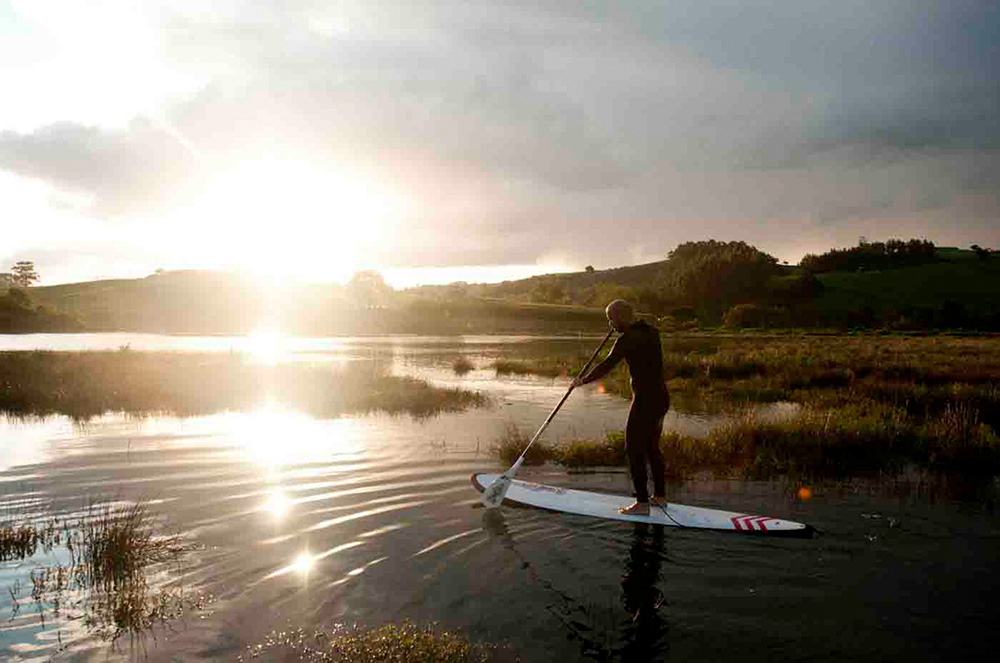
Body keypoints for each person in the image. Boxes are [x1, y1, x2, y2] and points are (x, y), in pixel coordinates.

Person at [573, 299, 669, 515]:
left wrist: (583, 381)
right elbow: (646, 324)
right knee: (652, 447)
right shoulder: (652, 332)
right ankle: (660, 497)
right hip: (662, 398)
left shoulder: (626, 340)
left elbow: (607, 365)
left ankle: (642, 504)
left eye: (611, 319)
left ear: (620, 317)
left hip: (645, 401)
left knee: (634, 449)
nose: (610, 325)